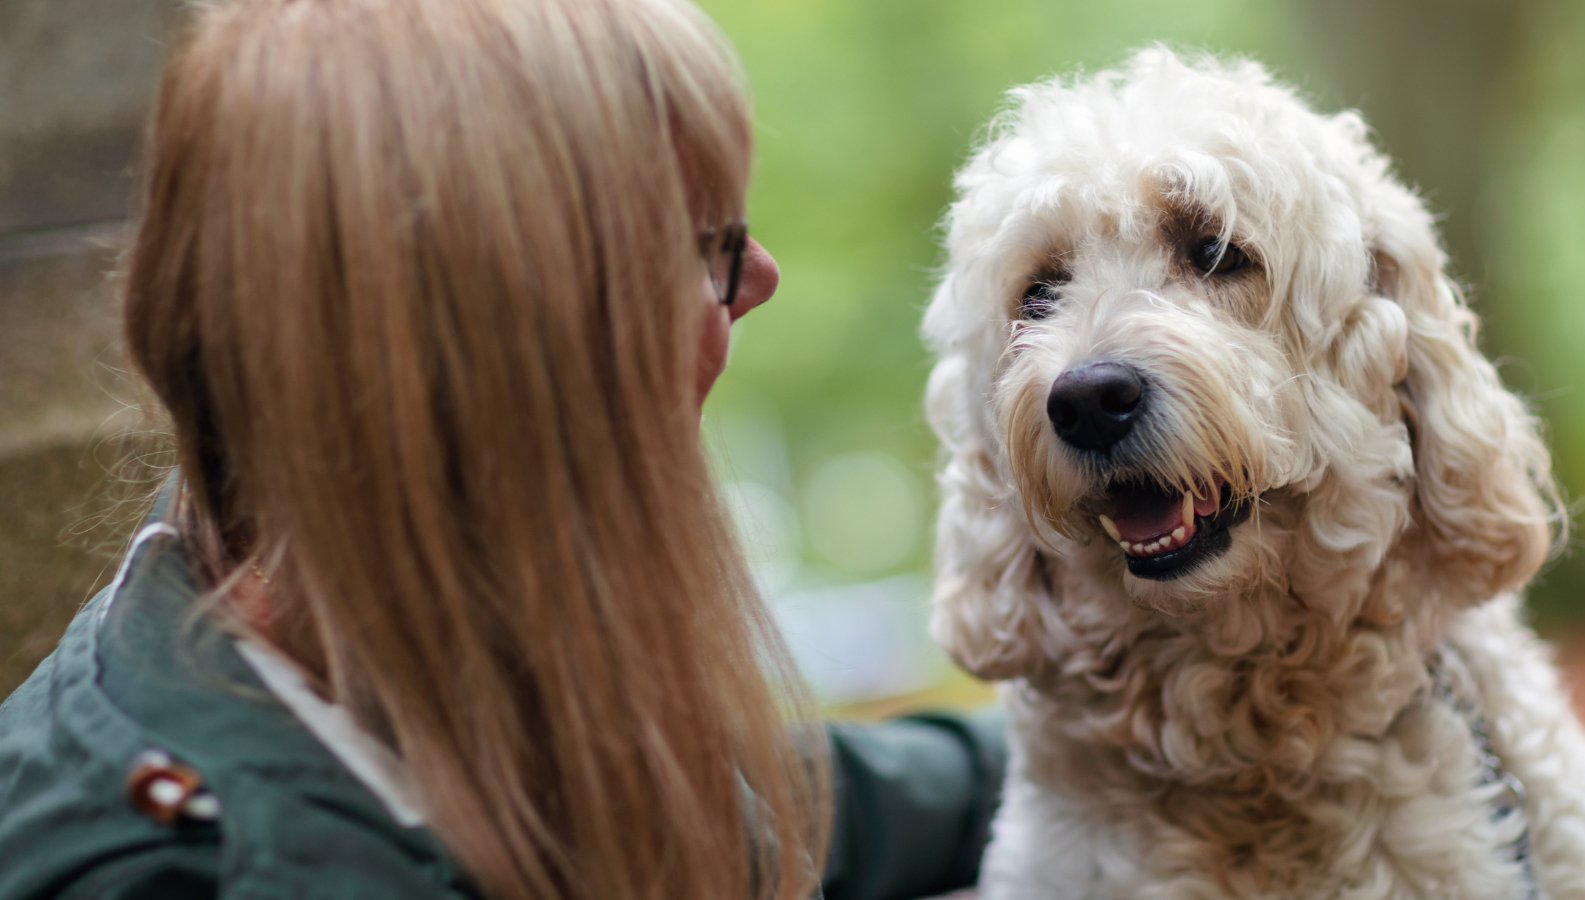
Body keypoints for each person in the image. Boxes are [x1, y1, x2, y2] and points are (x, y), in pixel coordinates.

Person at [0, 0, 1003, 897]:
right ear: (522, 358)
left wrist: (1093, 748)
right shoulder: (180, 870)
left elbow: (757, 817)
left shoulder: (410, 637)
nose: (761, 280)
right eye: (709, 246)